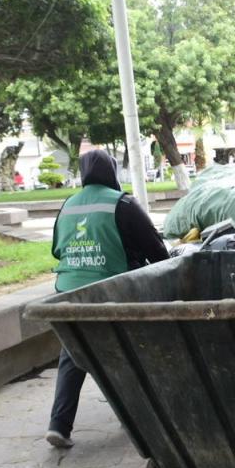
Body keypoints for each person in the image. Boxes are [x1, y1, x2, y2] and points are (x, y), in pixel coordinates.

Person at [45, 149, 169, 448]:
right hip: (110, 292)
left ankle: (59, 425)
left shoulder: (68, 205)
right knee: (129, 351)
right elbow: (158, 252)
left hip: (69, 293)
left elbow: (57, 251)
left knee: (73, 354)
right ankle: (140, 421)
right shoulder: (123, 203)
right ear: (112, 172)